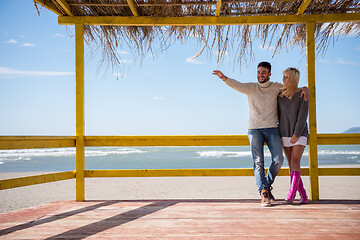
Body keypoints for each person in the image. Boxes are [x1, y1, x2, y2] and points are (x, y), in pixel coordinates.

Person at [212, 62, 309, 207]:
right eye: (258, 72)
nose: (260, 75)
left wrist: (305, 88)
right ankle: (264, 191)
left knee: (279, 160)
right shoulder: (251, 88)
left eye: (263, 72)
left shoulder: (277, 87)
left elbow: (293, 87)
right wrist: (224, 78)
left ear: (269, 74)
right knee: (258, 162)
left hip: (272, 129)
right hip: (255, 129)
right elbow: (237, 85)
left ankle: (266, 186)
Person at [277, 67, 309, 204]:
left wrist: (296, 134)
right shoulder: (280, 95)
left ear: (292, 79)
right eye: (283, 76)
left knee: (295, 162)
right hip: (284, 133)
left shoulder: (302, 94)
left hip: (299, 133)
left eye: (286, 77)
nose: (283, 79)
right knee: (291, 165)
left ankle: (291, 195)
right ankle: (304, 196)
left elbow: (303, 116)